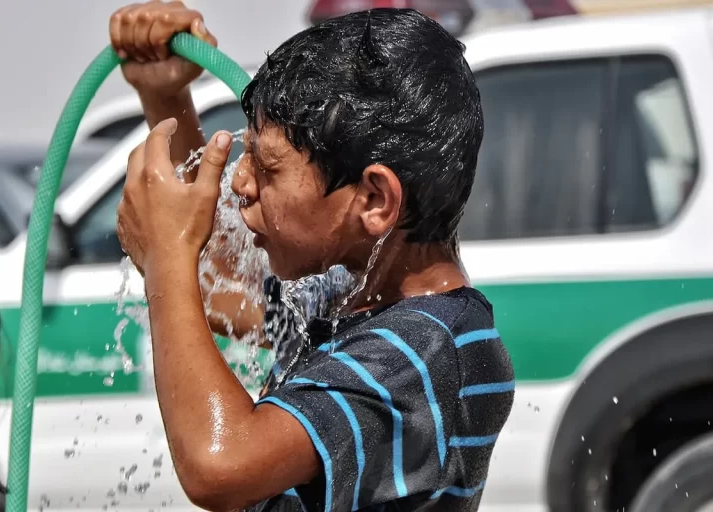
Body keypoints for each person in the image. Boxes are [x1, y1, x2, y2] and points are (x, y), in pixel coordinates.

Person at [111, 2, 515, 511]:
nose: (239, 182)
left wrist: (167, 254)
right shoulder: (351, 297)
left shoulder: (424, 351)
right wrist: (166, 96)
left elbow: (219, 465)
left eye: (267, 167)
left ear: (373, 199)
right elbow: (215, 290)